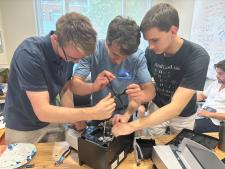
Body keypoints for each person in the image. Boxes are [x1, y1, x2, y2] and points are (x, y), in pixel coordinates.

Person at [4, 12, 116, 144]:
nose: (76, 62)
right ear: (55, 39)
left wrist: (93, 87)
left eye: (80, 58)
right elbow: (43, 111)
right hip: (23, 128)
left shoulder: (66, 53)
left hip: (52, 121)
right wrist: (92, 112)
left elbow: (66, 87)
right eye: (74, 58)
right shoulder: (29, 54)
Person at [112, 3, 210, 137]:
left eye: (155, 40)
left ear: (173, 31)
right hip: (156, 107)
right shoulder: (151, 52)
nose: (150, 46)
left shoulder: (197, 56)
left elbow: (176, 107)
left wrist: (132, 125)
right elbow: (141, 90)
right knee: (151, 148)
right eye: (148, 41)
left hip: (183, 115)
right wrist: (127, 114)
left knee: (181, 149)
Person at [71, 16, 155, 126]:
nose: (120, 62)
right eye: (115, 54)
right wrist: (94, 86)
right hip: (97, 114)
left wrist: (141, 95)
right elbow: (74, 85)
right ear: (107, 41)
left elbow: (150, 91)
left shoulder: (138, 57)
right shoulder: (93, 50)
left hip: (125, 116)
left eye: (126, 56)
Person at [194, 60, 225, 133]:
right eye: (217, 73)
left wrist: (209, 114)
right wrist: (186, 100)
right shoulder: (216, 83)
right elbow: (202, 95)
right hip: (202, 114)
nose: (217, 76)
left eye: (220, 73)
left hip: (216, 122)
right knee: (176, 118)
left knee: (186, 127)